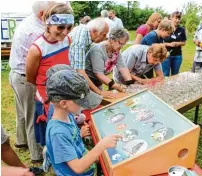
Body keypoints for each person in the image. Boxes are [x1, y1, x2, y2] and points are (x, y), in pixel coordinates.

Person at [45, 65, 122, 175]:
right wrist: (101, 145)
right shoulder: (58, 133)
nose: (83, 106)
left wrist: (79, 135)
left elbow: (69, 141)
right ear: (63, 103)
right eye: (80, 102)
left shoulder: (68, 115)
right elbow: (78, 167)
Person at [8, 1, 52, 163]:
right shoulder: (35, 31)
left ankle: (21, 141)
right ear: (42, 14)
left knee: (22, 112)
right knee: (32, 116)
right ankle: (36, 154)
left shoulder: (30, 21)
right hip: (26, 78)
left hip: (16, 75)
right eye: (51, 12)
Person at [26, 3, 73, 146]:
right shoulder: (37, 48)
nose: (65, 32)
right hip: (46, 94)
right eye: (60, 27)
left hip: (64, 89)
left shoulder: (67, 40)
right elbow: (30, 78)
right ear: (48, 24)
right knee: (52, 126)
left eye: (69, 27)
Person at [69, 18, 116, 98]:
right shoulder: (80, 40)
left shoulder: (87, 33)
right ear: (94, 31)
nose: (105, 38)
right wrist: (99, 92)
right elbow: (79, 71)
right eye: (104, 35)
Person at [162, 11, 187, 76]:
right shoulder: (165, 28)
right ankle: (165, 86)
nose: (177, 20)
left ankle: (173, 86)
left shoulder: (181, 29)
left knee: (175, 75)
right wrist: (169, 44)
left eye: (179, 19)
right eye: (176, 18)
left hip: (177, 56)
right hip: (166, 55)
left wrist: (177, 43)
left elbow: (184, 42)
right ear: (171, 18)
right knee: (165, 74)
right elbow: (161, 42)